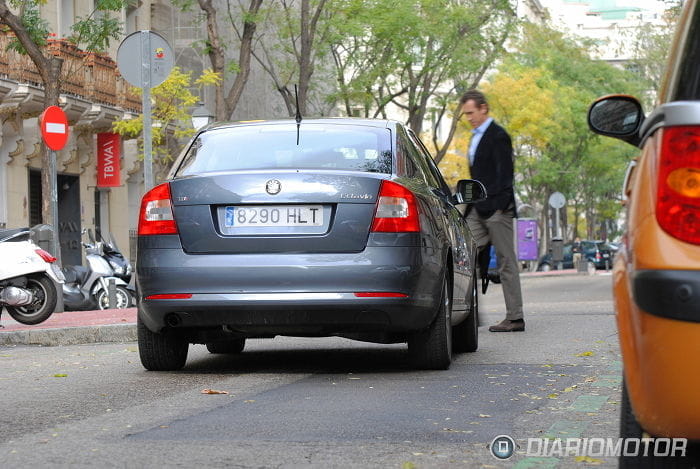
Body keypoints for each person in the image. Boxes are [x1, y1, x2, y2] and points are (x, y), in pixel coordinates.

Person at [460, 89, 525, 332]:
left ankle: (515, 317)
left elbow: (505, 176)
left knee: (507, 262)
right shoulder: (474, 136)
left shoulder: (498, 135)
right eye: (465, 114)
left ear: (483, 108)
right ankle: (466, 314)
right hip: (477, 209)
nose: (468, 117)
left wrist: (497, 205)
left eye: (471, 112)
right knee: (463, 256)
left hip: (498, 209)